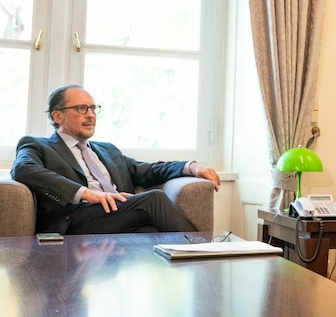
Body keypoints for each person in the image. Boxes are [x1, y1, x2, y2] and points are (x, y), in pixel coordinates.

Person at [11, 84, 221, 234]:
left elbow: (147, 171)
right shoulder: (38, 145)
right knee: (154, 199)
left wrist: (191, 166)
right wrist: (85, 193)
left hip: (117, 214)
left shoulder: (107, 150)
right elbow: (23, 169)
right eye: (81, 108)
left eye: (93, 108)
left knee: (151, 230)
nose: (91, 115)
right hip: (74, 219)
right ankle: (206, 253)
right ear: (58, 116)